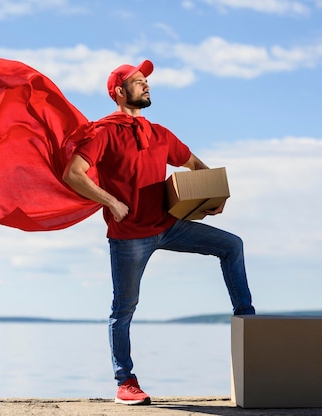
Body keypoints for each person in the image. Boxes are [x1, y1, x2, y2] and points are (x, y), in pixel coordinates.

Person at [62, 60, 255, 405]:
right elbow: (74, 173)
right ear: (120, 92)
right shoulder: (103, 132)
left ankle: (248, 323)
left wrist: (213, 198)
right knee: (124, 309)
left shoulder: (160, 134)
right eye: (138, 81)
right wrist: (111, 202)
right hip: (128, 236)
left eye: (147, 81)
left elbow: (196, 166)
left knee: (232, 245)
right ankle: (125, 382)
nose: (147, 85)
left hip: (168, 225)